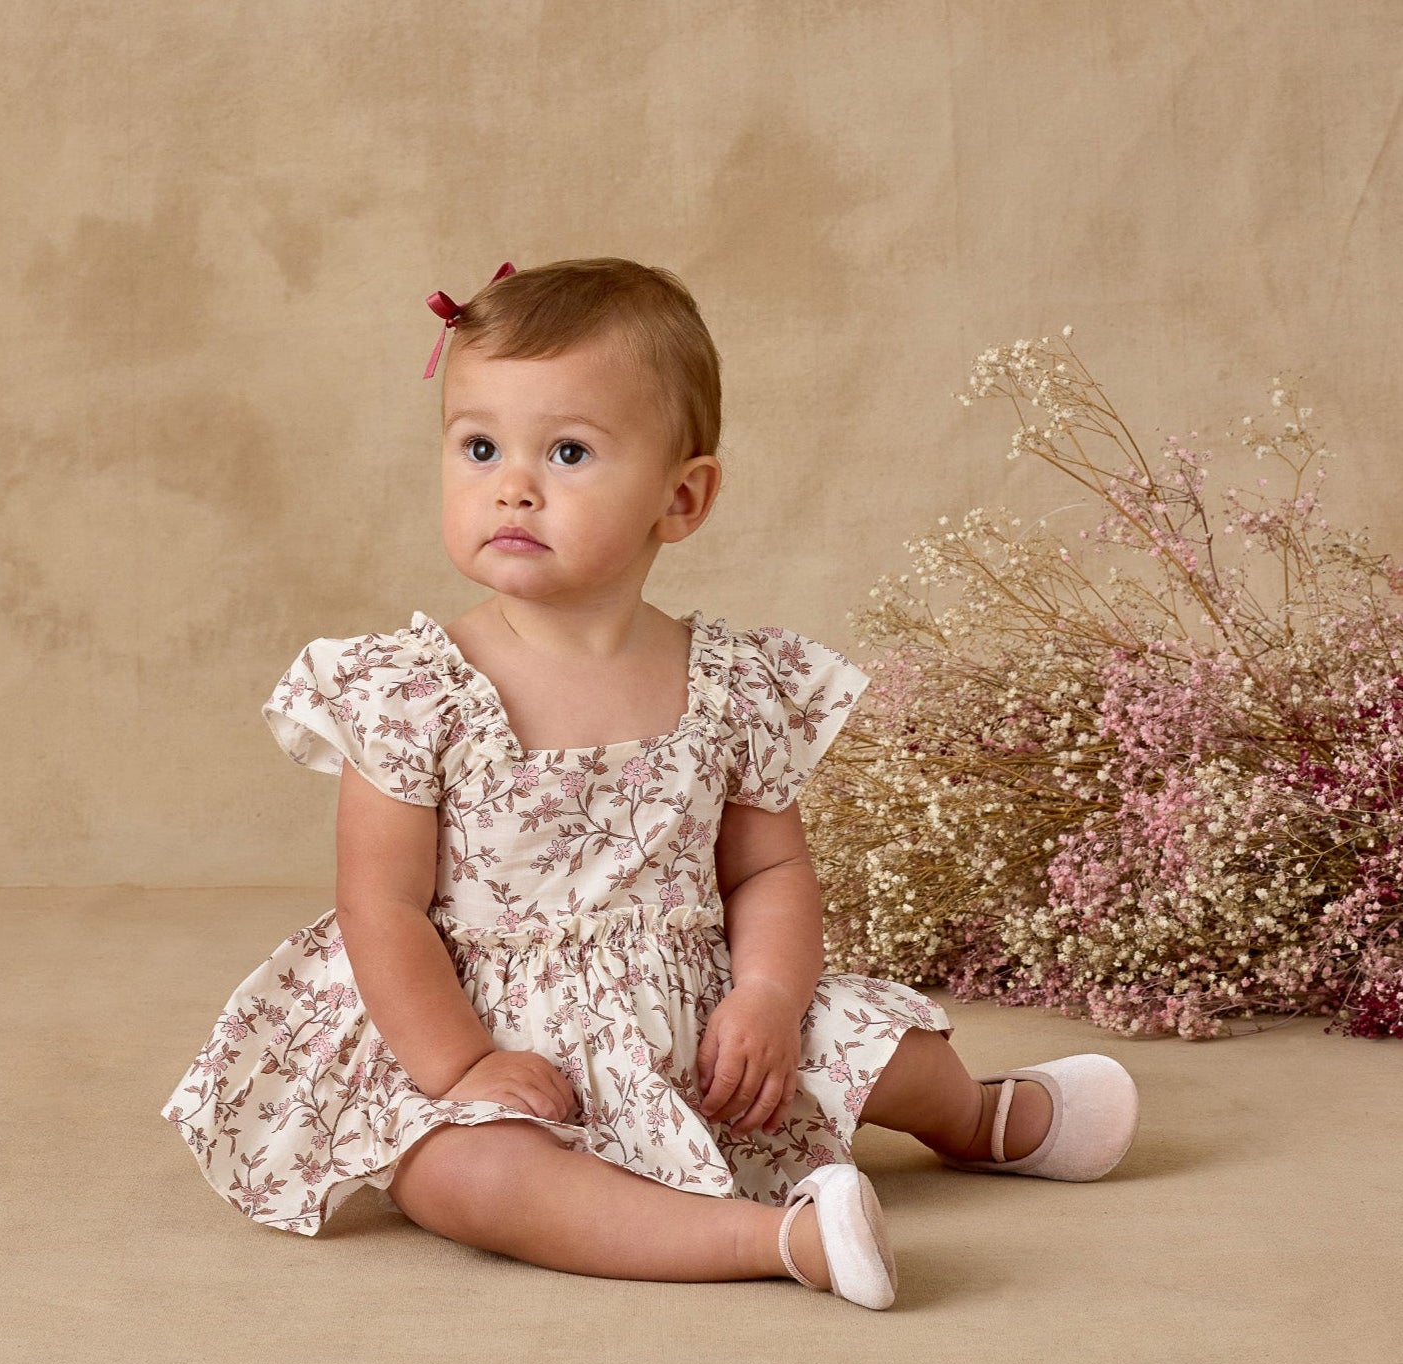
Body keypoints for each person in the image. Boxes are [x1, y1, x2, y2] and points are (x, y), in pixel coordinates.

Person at [160, 256, 1140, 1310]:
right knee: (469, 1177)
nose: (513, 485)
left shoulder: (731, 683)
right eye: (479, 447)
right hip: (488, 1037)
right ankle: (777, 1238)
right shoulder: (411, 689)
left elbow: (767, 870)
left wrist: (766, 998)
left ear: (681, 497)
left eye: (567, 452)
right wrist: (461, 1069)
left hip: (697, 1016)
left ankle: (974, 1119)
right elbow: (379, 905)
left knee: (873, 1039)